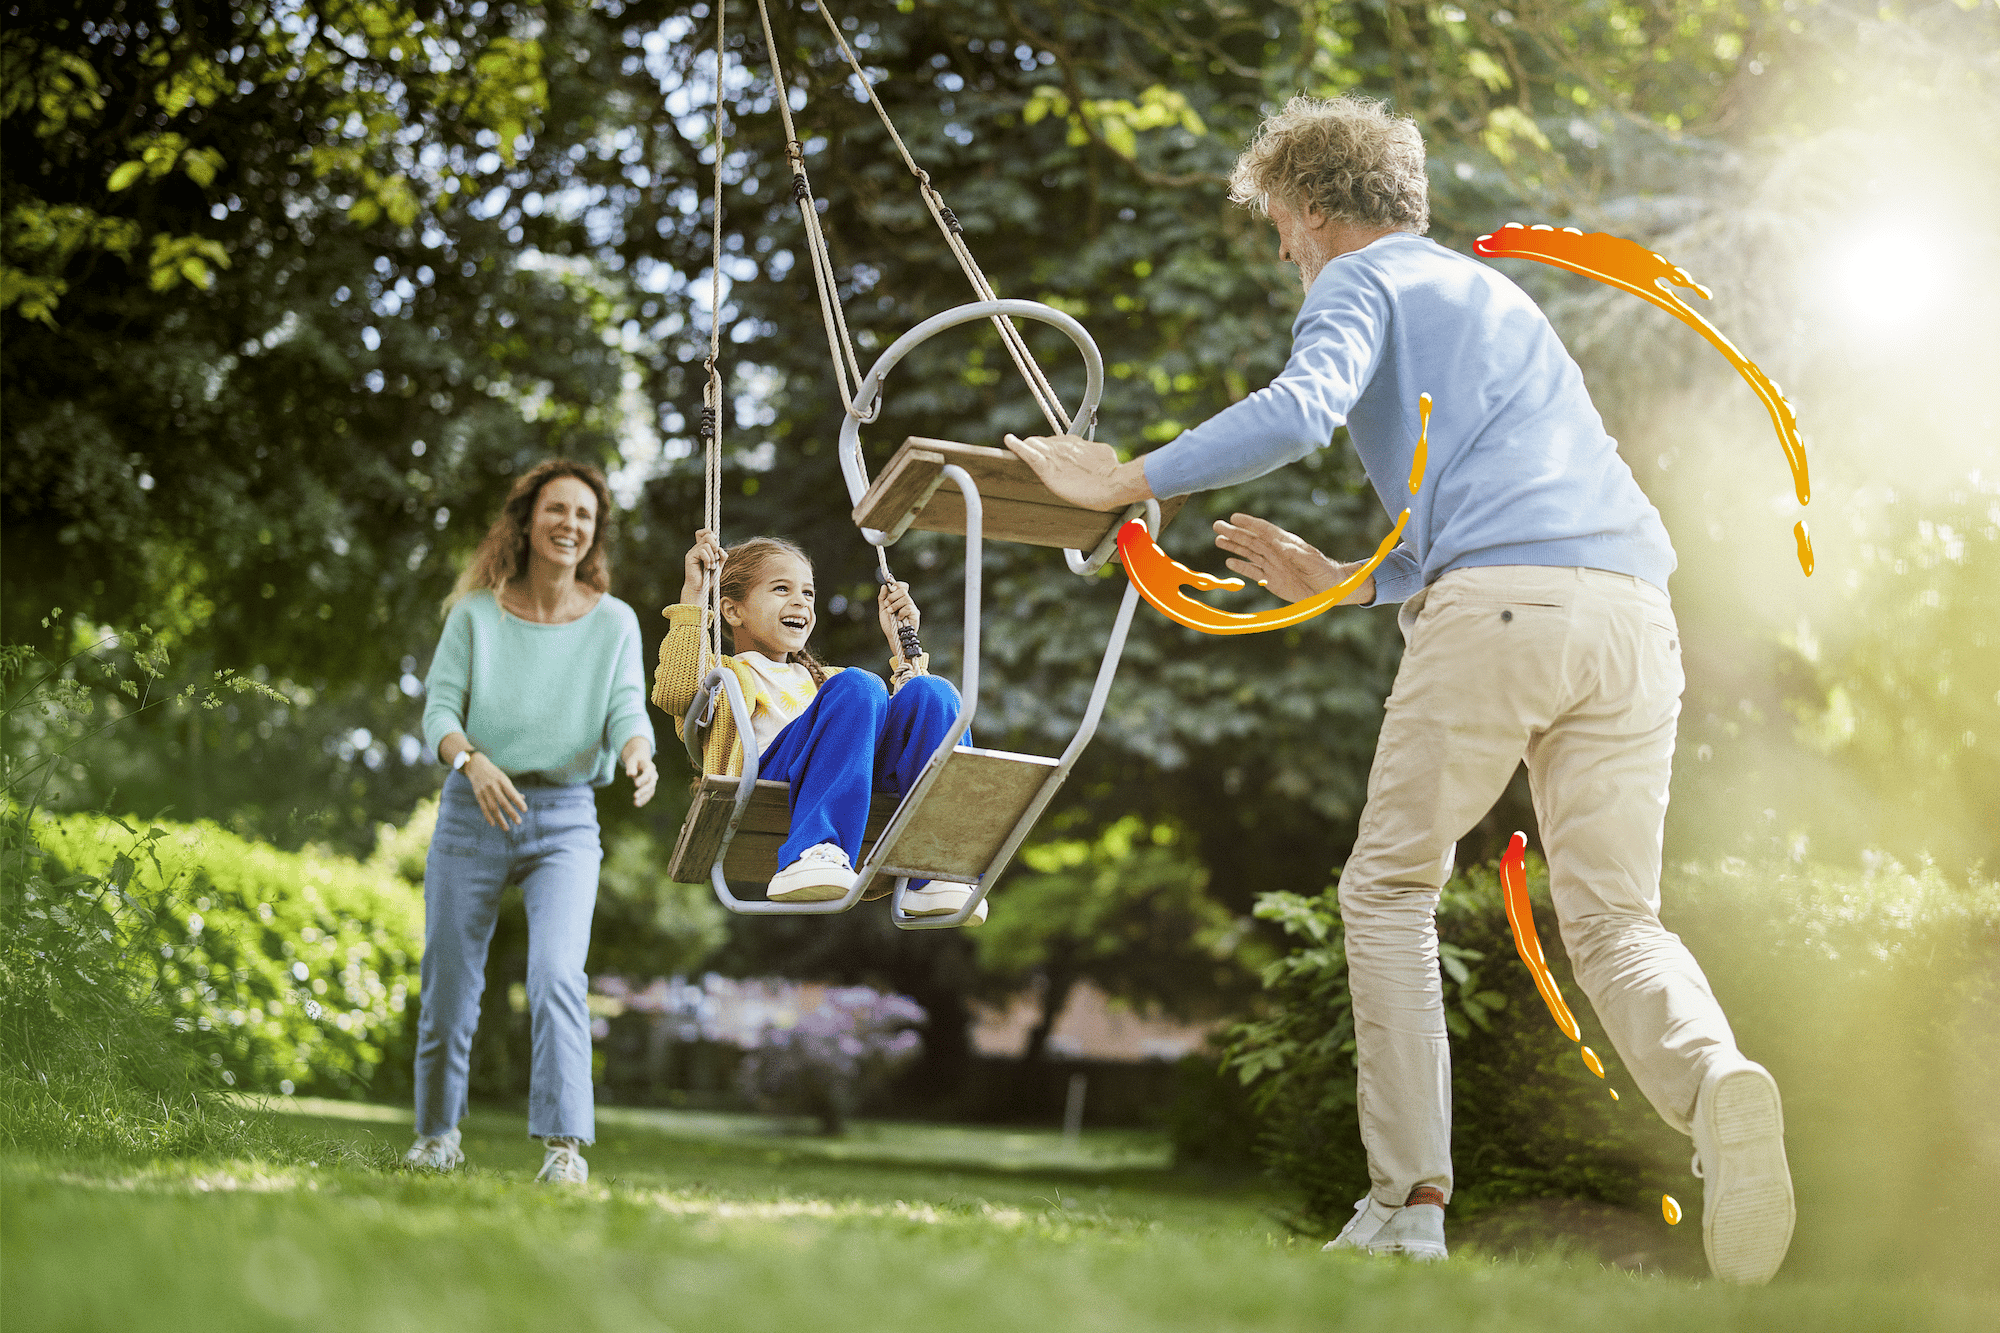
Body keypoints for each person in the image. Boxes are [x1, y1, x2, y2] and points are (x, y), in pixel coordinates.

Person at [1006, 93, 1795, 1284]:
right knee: (1615, 919)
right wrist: (1347, 580)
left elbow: (1301, 409)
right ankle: (1713, 1080)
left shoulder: (1357, 283)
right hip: (1630, 612)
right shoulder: (1498, 297)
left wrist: (1120, 476)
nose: (1280, 249)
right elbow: (1508, 496)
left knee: (1385, 892)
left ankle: (1407, 1202)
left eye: (1279, 221)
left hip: (1501, 611)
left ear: (1319, 209)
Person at [403, 459, 658, 1185]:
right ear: (526, 520)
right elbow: (440, 715)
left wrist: (638, 751)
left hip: (566, 816)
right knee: (450, 981)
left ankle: (563, 1149)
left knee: (556, 974)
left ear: (594, 532)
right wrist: (472, 763)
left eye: (584, 514)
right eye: (557, 509)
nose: (570, 524)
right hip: (471, 811)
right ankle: (437, 1135)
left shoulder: (614, 622)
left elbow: (626, 709)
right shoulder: (476, 614)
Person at [651, 530, 984, 923]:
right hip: (767, 782)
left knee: (935, 694)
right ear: (732, 610)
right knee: (860, 685)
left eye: (808, 593)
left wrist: (904, 648)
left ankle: (939, 867)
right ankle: (815, 848)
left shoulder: (828, 681)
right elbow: (677, 692)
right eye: (780, 589)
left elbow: (908, 727)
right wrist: (693, 597)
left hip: (852, 783)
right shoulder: (724, 675)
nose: (800, 602)